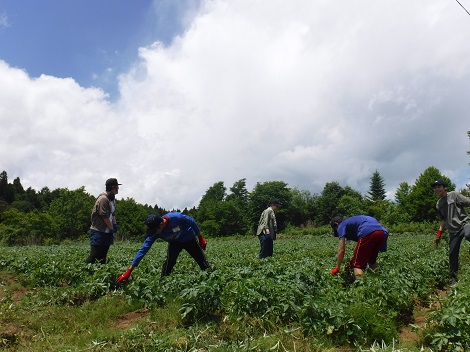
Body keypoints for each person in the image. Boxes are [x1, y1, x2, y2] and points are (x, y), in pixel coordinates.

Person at [117, 212, 210, 282]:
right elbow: (143, 250)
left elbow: (192, 221)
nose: (154, 233)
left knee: (200, 259)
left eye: (155, 230)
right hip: (174, 242)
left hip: (189, 239)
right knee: (170, 261)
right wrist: (129, 270)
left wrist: (200, 237)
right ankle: (163, 281)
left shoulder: (176, 217)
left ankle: (211, 276)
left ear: (161, 224)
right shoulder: (155, 233)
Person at [431, 179, 470, 282]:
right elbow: (443, 220)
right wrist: (438, 235)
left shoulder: (454, 195)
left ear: (444, 187)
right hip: (453, 231)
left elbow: (467, 201)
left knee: (469, 234)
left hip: (464, 224)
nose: (437, 189)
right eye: (435, 187)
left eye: (439, 186)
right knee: (452, 254)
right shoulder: (438, 204)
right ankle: (453, 278)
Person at [330, 215, 388, 280]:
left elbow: (341, 249)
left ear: (336, 224)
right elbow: (363, 248)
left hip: (367, 231)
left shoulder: (341, 225)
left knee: (357, 266)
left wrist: (337, 268)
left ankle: (363, 287)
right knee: (372, 261)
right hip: (382, 232)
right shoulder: (351, 222)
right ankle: (379, 282)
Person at [86, 178, 121, 264]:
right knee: (94, 255)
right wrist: (111, 228)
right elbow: (104, 216)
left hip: (107, 232)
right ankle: (85, 271)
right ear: (113, 187)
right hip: (98, 231)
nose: (118, 189)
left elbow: (112, 214)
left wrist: (114, 224)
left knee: (102, 256)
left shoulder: (112, 199)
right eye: (117, 187)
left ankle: (99, 273)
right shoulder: (103, 199)